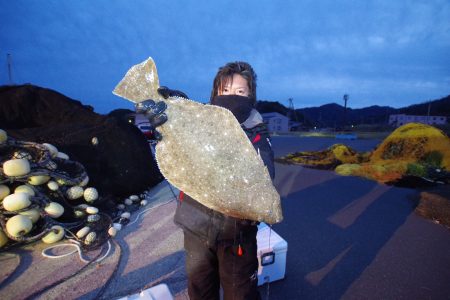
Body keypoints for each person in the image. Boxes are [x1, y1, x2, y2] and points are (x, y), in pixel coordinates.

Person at [138, 62, 275, 300]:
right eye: (226, 91)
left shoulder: (257, 133)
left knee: (240, 293)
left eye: (241, 92)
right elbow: (176, 142)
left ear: (251, 96)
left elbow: (265, 176)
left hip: (237, 232)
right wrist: (174, 113)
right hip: (196, 224)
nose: (233, 97)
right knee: (200, 289)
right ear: (215, 95)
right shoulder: (198, 124)